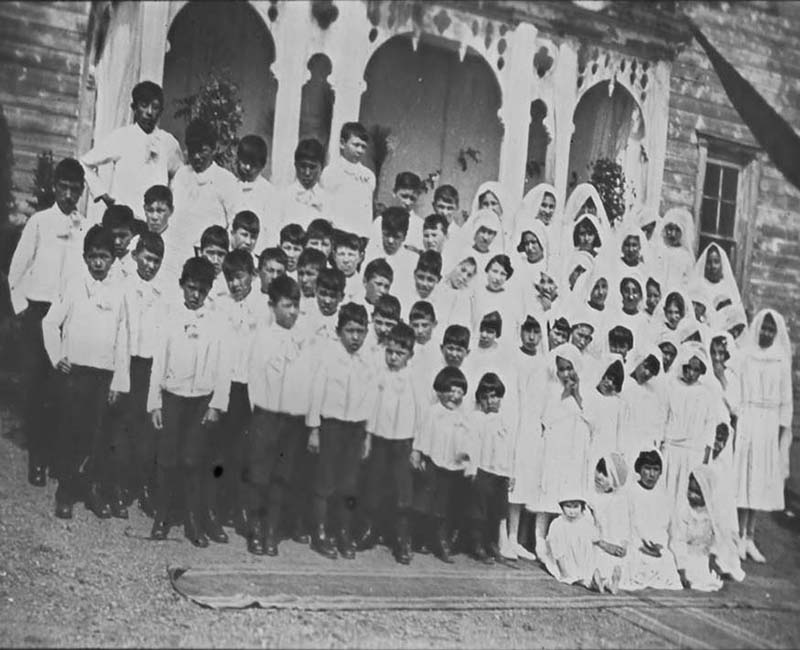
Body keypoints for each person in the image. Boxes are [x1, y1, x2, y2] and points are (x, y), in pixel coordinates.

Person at [8, 158, 88, 486]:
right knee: (36, 386)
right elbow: (17, 268)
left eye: (75, 189)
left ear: (82, 191)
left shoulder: (83, 227)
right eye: (64, 188)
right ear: (55, 187)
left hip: (67, 317)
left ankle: (56, 455)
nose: (69, 195)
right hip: (39, 312)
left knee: (61, 388)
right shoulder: (40, 222)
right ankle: (37, 458)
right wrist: (21, 307)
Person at [42, 225, 130, 519]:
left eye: (104, 256)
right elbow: (49, 323)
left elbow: (123, 338)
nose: (98, 263)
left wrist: (118, 381)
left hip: (103, 376)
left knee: (97, 436)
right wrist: (57, 357)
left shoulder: (119, 293)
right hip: (76, 375)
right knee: (71, 431)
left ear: (113, 259)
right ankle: (65, 491)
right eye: (92, 256)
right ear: (84, 257)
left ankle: (90, 488)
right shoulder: (73, 285)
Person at [146, 257, 230, 547]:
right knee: (168, 459)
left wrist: (217, 403)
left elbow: (223, 364)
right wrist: (154, 402)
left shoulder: (216, 321)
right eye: (191, 288)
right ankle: (162, 515)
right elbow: (158, 361)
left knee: (193, 459)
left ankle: (193, 520)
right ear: (182, 285)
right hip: (172, 397)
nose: (195, 295)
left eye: (202, 290)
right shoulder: (170, 316)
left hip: (200, 400)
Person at [306, 302, 377, 560]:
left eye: (360, 331)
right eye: (350, 331)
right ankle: (320, 533)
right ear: (339, 331)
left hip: (356, 428)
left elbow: (371, 401)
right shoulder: (328, 357)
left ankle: (344, 532)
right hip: (331, 426)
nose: (355, 337)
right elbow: (316, 393)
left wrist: (368, 435)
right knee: (325, 481)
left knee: (349, 484)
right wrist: (314, 429)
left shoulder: (369, 361)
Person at [243, 274, 306, 556]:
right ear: (272, 306)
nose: (291, 312)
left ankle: (271, 532)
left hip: (289, 419)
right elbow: (254, 379)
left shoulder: (301, 341)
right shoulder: (262, 338)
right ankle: (255, 530)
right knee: (260, 475)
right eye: (286, 305)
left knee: (282, 476)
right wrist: (259, 413)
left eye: (295, 306)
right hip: (266, 416)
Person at [212, 249, 268, 538]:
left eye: (240, 277)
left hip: (251, 390)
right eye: (229, 278)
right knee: (222, 451)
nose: (234, 284)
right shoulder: (220, 306)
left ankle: (242, 510)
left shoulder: (263, 308)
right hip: (226, 386)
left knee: (247, 454)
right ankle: (219, 507)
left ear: (252, 276)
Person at [734, 309, 793, 563]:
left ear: (776, 332)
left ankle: (750, 536)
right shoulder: (745, 355)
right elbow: (736, 387)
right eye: (763, 328)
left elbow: (785, 400)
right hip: (748, 417)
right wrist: (738, 418)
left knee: (758, 482)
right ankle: (736, 536)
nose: (766, 333)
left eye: (771, 329)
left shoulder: (780, 359)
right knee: (742, 479)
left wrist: (780, 434)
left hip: (768, 424)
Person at [358, 322, 419, 564]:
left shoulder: (414, 378)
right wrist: (368, 437)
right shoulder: (379, 374)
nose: (393, 357)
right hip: (381, 439)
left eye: (399, 353)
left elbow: (422, 415)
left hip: (404, 442)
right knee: (374, 485)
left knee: (402, 491)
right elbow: (371, 407)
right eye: (390, 352)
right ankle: (370, 531)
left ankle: (402, 540)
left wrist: (417, 448)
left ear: (410, 355)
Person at [116, 232, 167, 516]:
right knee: (122, 424)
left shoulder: (162, 293)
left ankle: (141, 486)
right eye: (147, 258)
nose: (150, 265)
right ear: (136, 255)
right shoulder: (124, 286)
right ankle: (119, 484)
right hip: (126, 361)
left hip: (149, 366)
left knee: (145, 428)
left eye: (156, 261)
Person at [80, 81, 183, 218]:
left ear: (161, 111)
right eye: (144, 106)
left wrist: (167, 204)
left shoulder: (168, 142)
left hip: (153, 222)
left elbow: (181, 176)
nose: (149, 112)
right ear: (134, 108)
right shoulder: (121, 137)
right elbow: (84, 163)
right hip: (124, 219)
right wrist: (103, 194)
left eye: (155, 107)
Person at [529, 344, 592, 556]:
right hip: (555, 447)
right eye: (562, 369)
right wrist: (564, 393)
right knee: (548, 492)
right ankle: (538, 540)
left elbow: (592, 420)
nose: (565, 374)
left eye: (569, 368)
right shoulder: (552, 390)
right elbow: (546, 418)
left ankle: (560, 541)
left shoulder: (585, 390)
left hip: (575, 450)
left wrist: (577, 394)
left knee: (567, 495)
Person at [411, 366, 472, 563]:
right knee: (425, 501)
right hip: (432, 463)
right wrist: (418, 454)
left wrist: (467, 461)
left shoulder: (462, 417)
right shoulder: (433, 412)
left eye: (459, 392)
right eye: (450, 391)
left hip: (451, 466)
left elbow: (466, 443)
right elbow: (422, 435)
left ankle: (440, 541)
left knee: (443, 506)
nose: (454, 396)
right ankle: (419, 538)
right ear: (440, 392)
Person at [661, 341, 719, 512]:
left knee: (684, 496)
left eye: (696, 370)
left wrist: (705, 459)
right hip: (671, 449)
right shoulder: (670, 386)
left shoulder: (706, 393)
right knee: (666, 492)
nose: (691, 373)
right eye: (688, 368)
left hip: (694, 452)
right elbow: (663, 417)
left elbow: (710, 427)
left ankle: (680, 535)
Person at [465, 373, 516, 564]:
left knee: (498, 509)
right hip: (483, 469)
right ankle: (476, 544)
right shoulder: (476, 418)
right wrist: (472, 470)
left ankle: (492, 544)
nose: (490, 401)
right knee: (480, 509)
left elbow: (509, 448)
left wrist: (510, 473)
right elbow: (472, 446)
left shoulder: (504, 419)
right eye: (485, 398)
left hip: (500, 472)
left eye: (494, 396)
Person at [669, 466, 746, 591]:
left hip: (704, 554)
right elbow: (678, 541)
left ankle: (720, 568)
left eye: (698, 493)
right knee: (693, 574)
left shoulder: (712, 513)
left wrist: (713, 556)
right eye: (690, 490)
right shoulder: (684, 511)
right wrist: (681, 567)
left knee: (716, 567)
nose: (692, 496)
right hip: (686, 554)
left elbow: (717, 538)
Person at [170, 119, 238, 248]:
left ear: (214, 149)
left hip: (210, 253)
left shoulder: (226, 180)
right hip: (179, 249)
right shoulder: (181, 175)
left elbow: (234, 224)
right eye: (192, 151)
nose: (196, 156)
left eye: (202, 151)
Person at [622, 450, 682, 591]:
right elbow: (626, 525)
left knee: (666, 561)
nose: (651, 474)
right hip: (636, 546)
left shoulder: (664, 496)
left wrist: (658, 546)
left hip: (657, 548)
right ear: (639, 469)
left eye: (655, 470)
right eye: (647, 469)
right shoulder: (630, 492)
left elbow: (667, 528)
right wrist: (640, 545)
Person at [321, 122, 375, 235]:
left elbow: (367, 211)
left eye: (363, 147)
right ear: (342, 143)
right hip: (336, 232)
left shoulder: (368, 176)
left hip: (359, 235)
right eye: (355, 145)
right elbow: (325, 208)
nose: (360, 150)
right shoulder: (331, 172)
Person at [588, 453, 631, 594]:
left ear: (614, 481)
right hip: (596, 541)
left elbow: (624, 526)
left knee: (617, 557)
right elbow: (588, 526)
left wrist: (622, 545)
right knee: (595, 555)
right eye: (598, 470)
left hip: (610, 541)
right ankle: (599, 579)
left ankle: (612, 579)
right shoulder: (591, 497)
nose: (599, 476)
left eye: (605, 475)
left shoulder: (619, 500)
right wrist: (604, 545)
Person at [542, 492, 597, 587]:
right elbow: (557, 551)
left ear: (582, 507)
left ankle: (602, 581)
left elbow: (593, 541)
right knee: (571, 577)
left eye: (576, 506)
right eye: (568, 506)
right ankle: (586, 583)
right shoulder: (557, 524)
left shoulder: (585, 523)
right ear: (562, 507)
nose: (572, 511)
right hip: (563, 561)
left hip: (581, 558)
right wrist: (563, 571)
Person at [231, 135, 275, 251]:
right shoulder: (231, 186)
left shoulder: (269, 193)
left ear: (262, 165)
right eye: (244, 162)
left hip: (256, 252)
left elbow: (270, 231)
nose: (248, 167)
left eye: (254, 165)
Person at [277, 139, 329, 231]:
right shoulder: (283, 197)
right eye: (303, 166)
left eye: (312, 167)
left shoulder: (328, 200)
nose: (307, 173)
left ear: (322, 167)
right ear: (295, 165)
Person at [370, 172, 424, 253]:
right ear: (394, 192)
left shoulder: (420, 225)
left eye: (412, 198)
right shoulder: (380, 221)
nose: (408, 202)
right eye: (404, 196)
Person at [688, 242, 743, 313]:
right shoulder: (698, 285)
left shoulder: (727, 287)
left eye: (716, 262)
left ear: (722, 264)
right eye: (709, 262)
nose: (713, 266)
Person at [651, 207, 696, 290]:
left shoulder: (686, 257)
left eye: (677, 230)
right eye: (670, 229)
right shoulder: (657, 249)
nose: (673, 234)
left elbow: (688, 283)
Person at [102, 204, 139, 284]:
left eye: (123, 236)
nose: (117, 242)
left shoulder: (138, 266)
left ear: (132, 233)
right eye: (112, 236)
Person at [198, 225, 231, 306]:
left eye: (221, 254)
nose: (215, 260)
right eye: (211, 253)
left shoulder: (231, 288)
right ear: (201, 253)